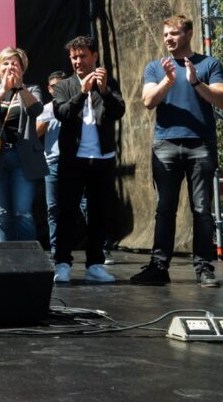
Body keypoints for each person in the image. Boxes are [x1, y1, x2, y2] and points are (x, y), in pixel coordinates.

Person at [135, 15, 223, 287]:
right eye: (165, 34)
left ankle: (204, 268)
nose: (168, 38)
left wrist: (196, 82)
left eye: (174, 33)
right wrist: (168, 80)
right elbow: (148, 101)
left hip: (200, 144)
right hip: (165, 145)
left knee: (201, 210)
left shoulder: (209, 64)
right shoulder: (155, 67)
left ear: (188, 34)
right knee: (165, 208)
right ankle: (158, 267)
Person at [51, 35, 124, 283]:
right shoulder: (64, 85)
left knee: (99, 212)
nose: (78, 61)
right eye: (74, 57)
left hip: (102, 157)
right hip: (73, 158)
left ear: (94, 56)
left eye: (83, 56)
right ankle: (62, 263)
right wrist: (82, 93)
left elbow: (119, 111)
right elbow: (62, 113)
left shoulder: (108, 82)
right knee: (67, 212)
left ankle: (95, 264)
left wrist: (104, 91)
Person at [0, 48, 48, 242]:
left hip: (23, 158)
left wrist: (19, 87)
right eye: (5, 63)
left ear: (22, 68)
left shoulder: (31, 89)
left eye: (14, 63)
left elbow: (36, 110)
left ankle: (29, 258)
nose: (9, 67)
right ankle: (7, 258)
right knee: (1, 214)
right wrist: (4, 90)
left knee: (22, 213)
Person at [36, 70, 66, 254]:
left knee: (85, 204)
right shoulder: (46, 109)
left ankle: (99, 249)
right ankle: (56, 249)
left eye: (61, 85)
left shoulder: (76, 104)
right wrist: (45, 121)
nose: (58, 89)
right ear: (49, 89)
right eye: (54, 86)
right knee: (53, 208)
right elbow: (35, 134)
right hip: (52, 162)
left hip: (75, 162)